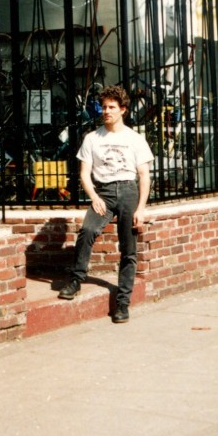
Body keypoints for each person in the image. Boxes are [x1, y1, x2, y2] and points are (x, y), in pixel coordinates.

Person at [58, 85, 153, 323]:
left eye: (112, 107)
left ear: (123, 110)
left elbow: (144, 175)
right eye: (104, 107)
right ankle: (77, 279)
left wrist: (141, 208)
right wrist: (94, 197)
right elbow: (84, 173)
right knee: (88, 230)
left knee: (128, 249)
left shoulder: (134, 139)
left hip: (129, 192)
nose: (107, 111)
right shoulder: (92, 138)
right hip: (104, 192)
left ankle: (122, 303)